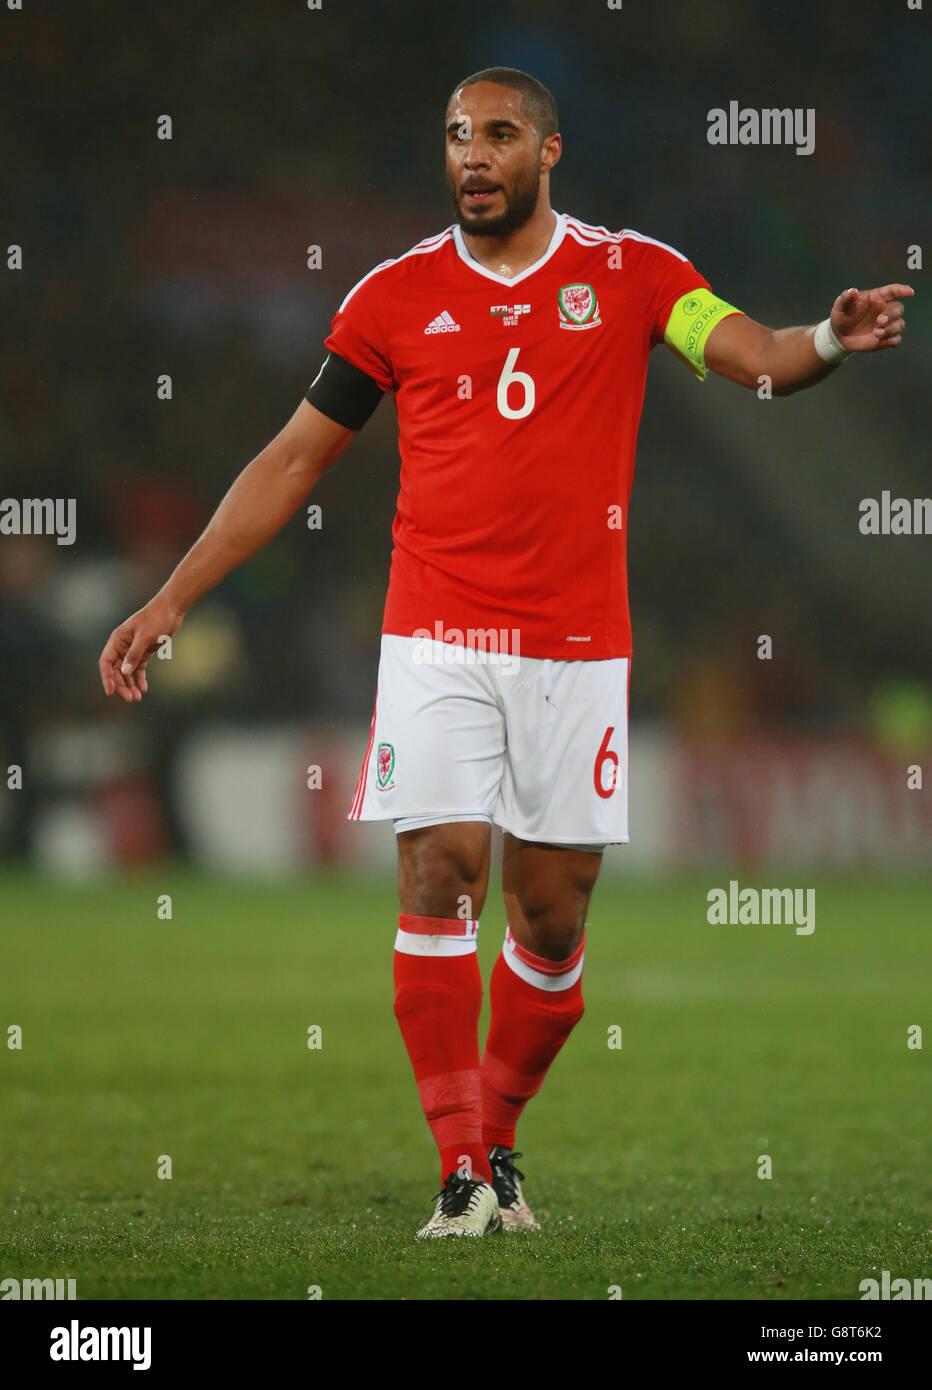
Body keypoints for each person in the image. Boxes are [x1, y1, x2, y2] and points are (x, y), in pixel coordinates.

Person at [99, 66, 913, 1238]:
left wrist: (828, 339)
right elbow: (290, 459)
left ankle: (500, 1140)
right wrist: (172, 597)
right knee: (437, 873)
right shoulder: (391, 298)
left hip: (576, 650)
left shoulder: (633, 274)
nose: (470, 156)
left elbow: (756, 357)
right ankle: (460, 1171)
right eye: (453, 138)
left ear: (547, 151)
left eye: (495, 135)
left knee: (548, 919)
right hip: (432, 633)